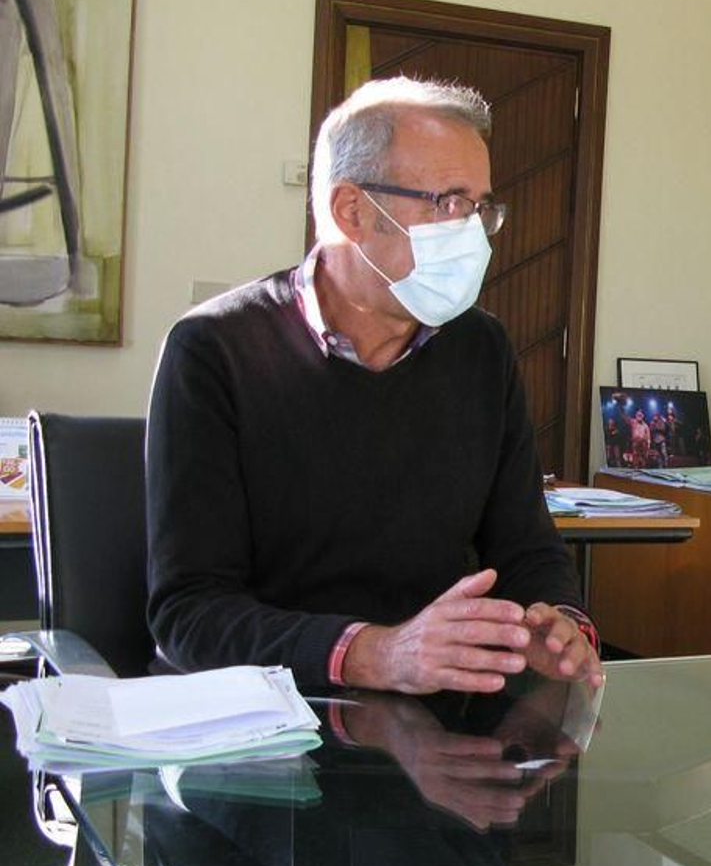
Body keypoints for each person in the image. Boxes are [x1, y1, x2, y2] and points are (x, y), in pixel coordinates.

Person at [146, 77, 602, 697]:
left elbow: (526, 547)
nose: (472, 232)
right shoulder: (214, 349)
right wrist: (376, 653)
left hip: (435, 715)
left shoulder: (481, 349)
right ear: (351, 211)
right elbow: (190, 613)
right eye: (447, 202)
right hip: (264, 717)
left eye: (480, 207)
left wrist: (560, 623)